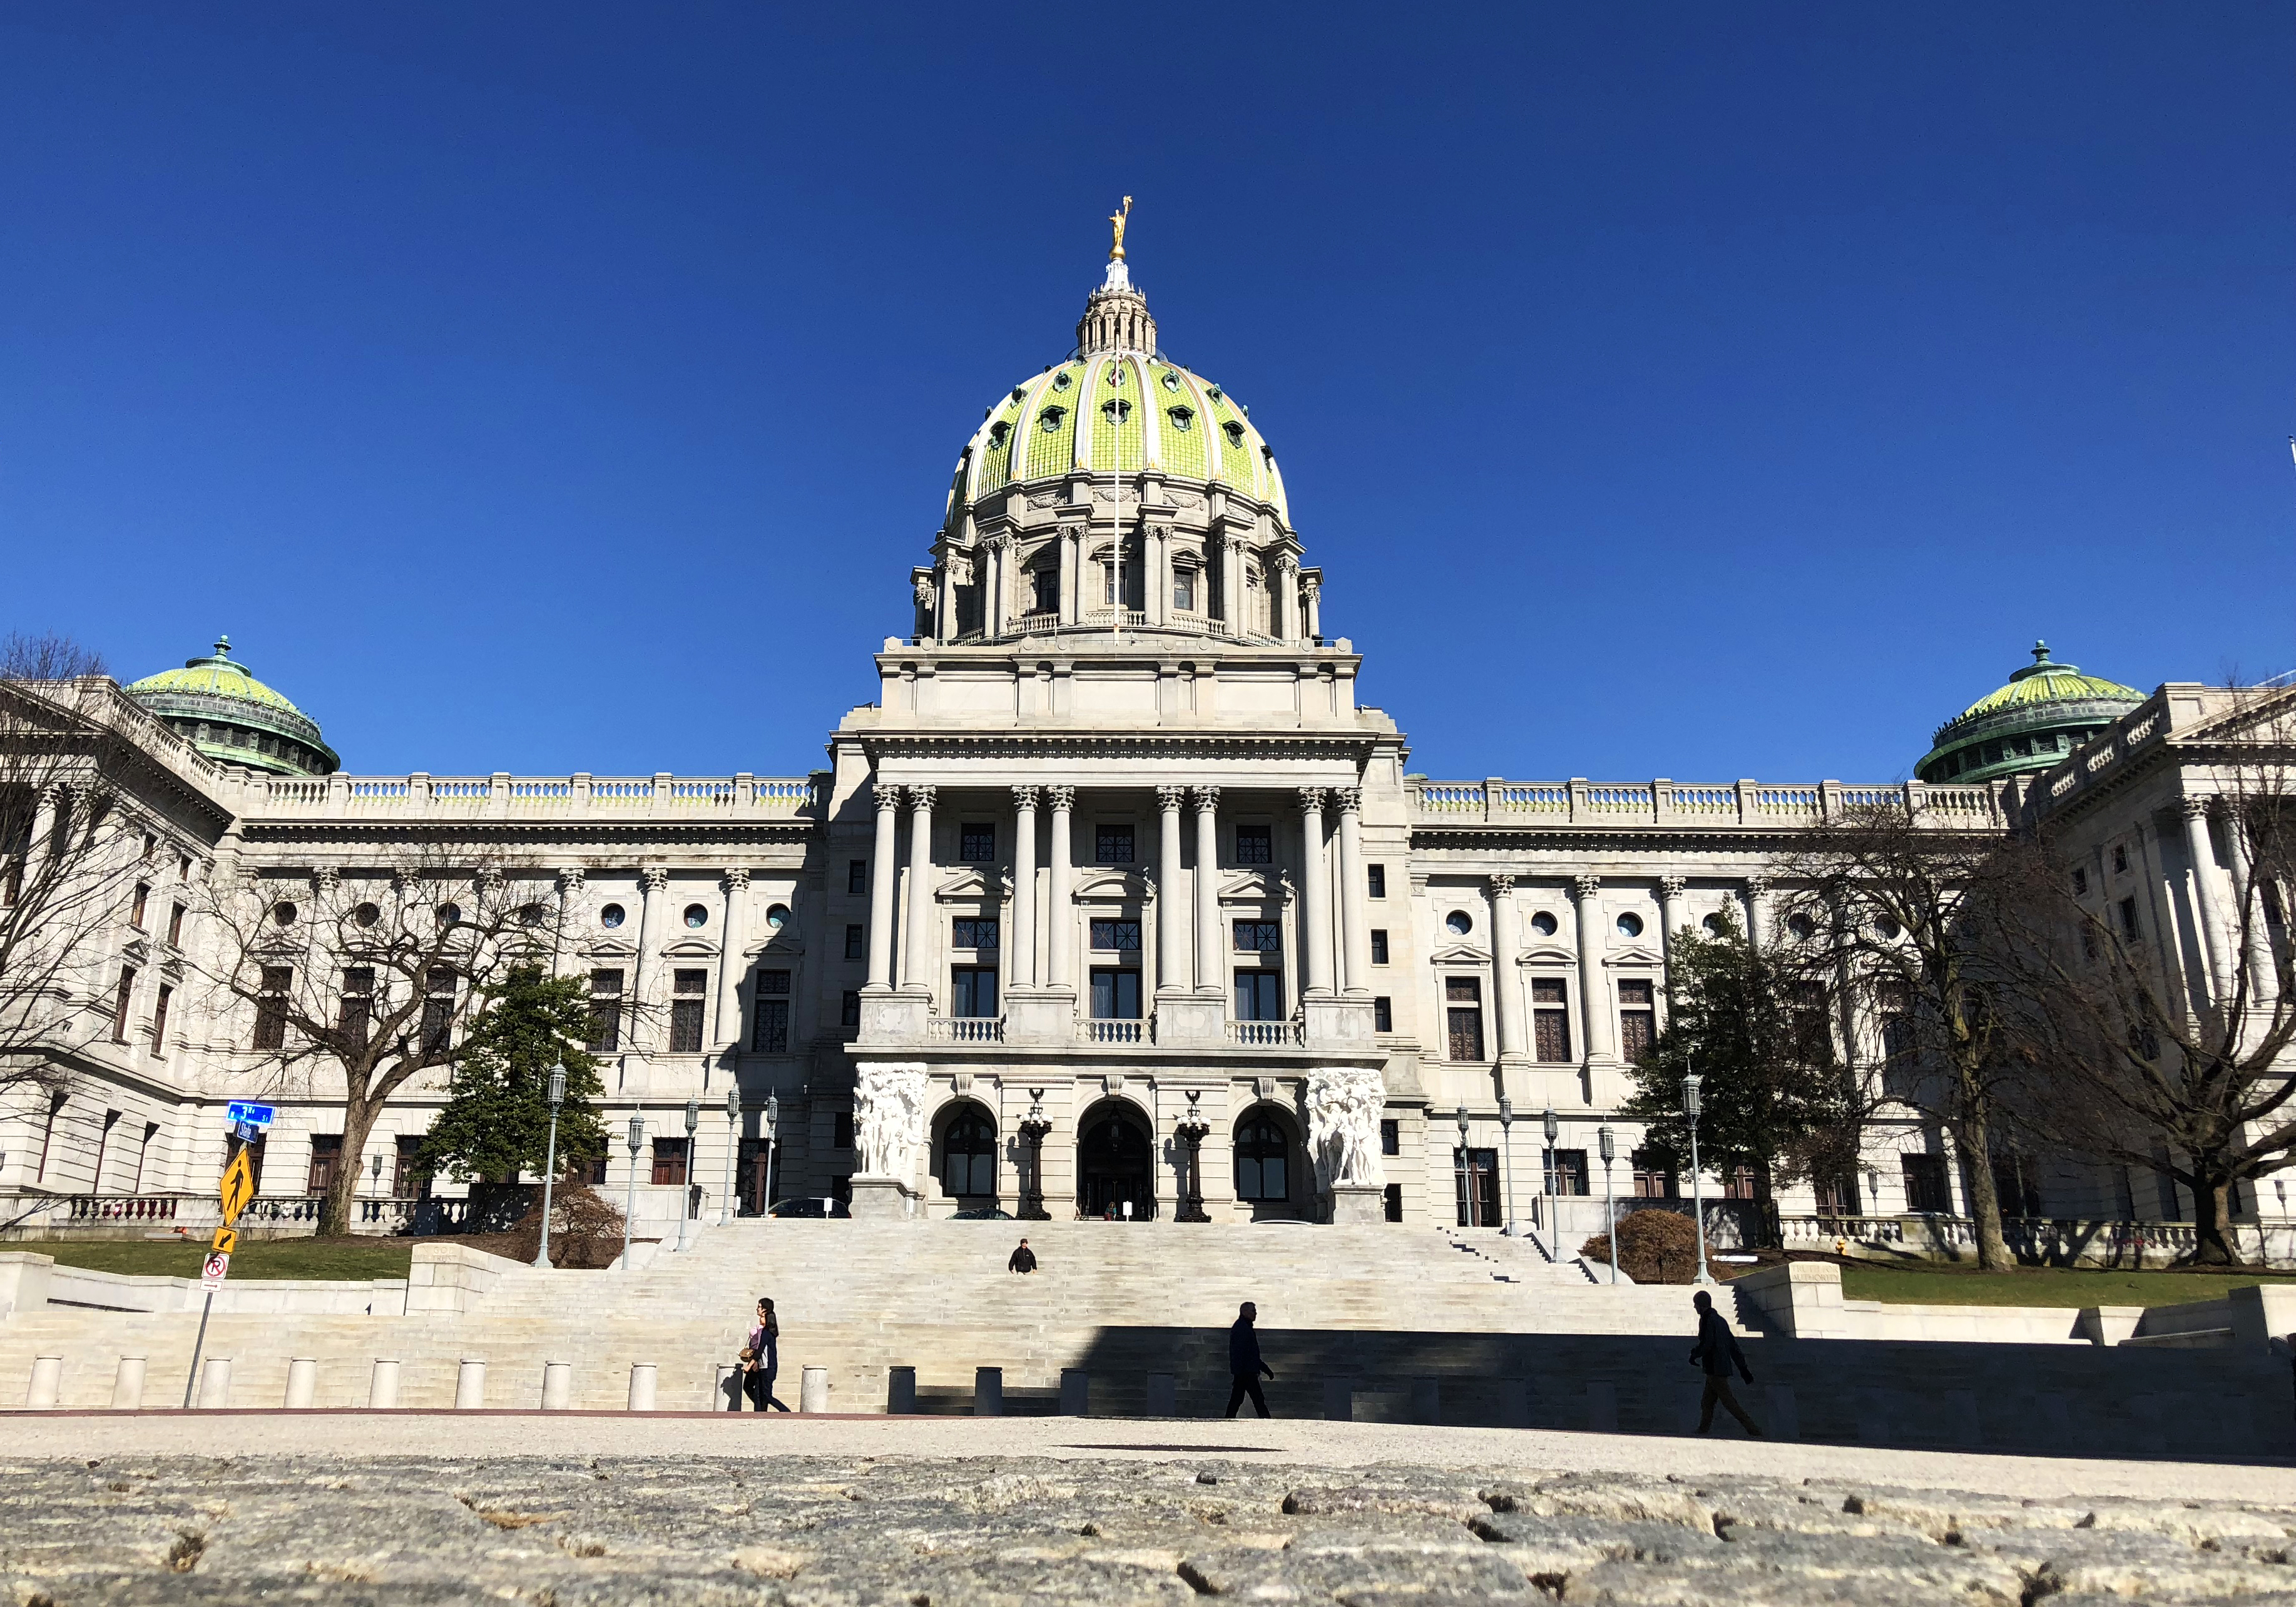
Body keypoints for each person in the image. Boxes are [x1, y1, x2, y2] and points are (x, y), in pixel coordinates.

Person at [1688, 1288, 1762, 1436]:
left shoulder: (1707, 1320)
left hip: (1715, 1368)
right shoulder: (1721, 1321)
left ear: (1701, 1305)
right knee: (1707, 1402)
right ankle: (1702, 1431)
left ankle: (1753, 1429)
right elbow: (1733, 1345)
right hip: (1718, 1367)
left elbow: (1707, 1343)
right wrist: (1743, 1368)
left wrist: (1695, 1354)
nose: (1695, 1308)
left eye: (1696, 1305)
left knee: (1729, 1403)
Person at [1224, 1300, 1275, 1419]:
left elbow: (1250, 1354)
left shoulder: (1244, 1327)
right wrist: (1241, 1371)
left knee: (1239, 1399)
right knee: (1256, 1399)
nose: (1256, 1313)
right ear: (1245, 1312)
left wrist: (1264, 1369)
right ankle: (1266, 1420)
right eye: (1253, 1311)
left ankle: (1228, 1419)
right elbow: (1242, 1352)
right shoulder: (1242, 1328)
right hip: (1246, 1372)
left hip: (1245, 1371)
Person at [740, 1296, 791, 1412]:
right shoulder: (768, 1332)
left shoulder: (766, 1333)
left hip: (767, 1366)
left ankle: (785, 1411)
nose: (760, 1318)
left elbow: (760, 1350)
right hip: (765, 1366)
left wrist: (751, 1365)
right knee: (760, 1393)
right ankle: (761, 1413)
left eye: (763, 1316)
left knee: (766, 1395)